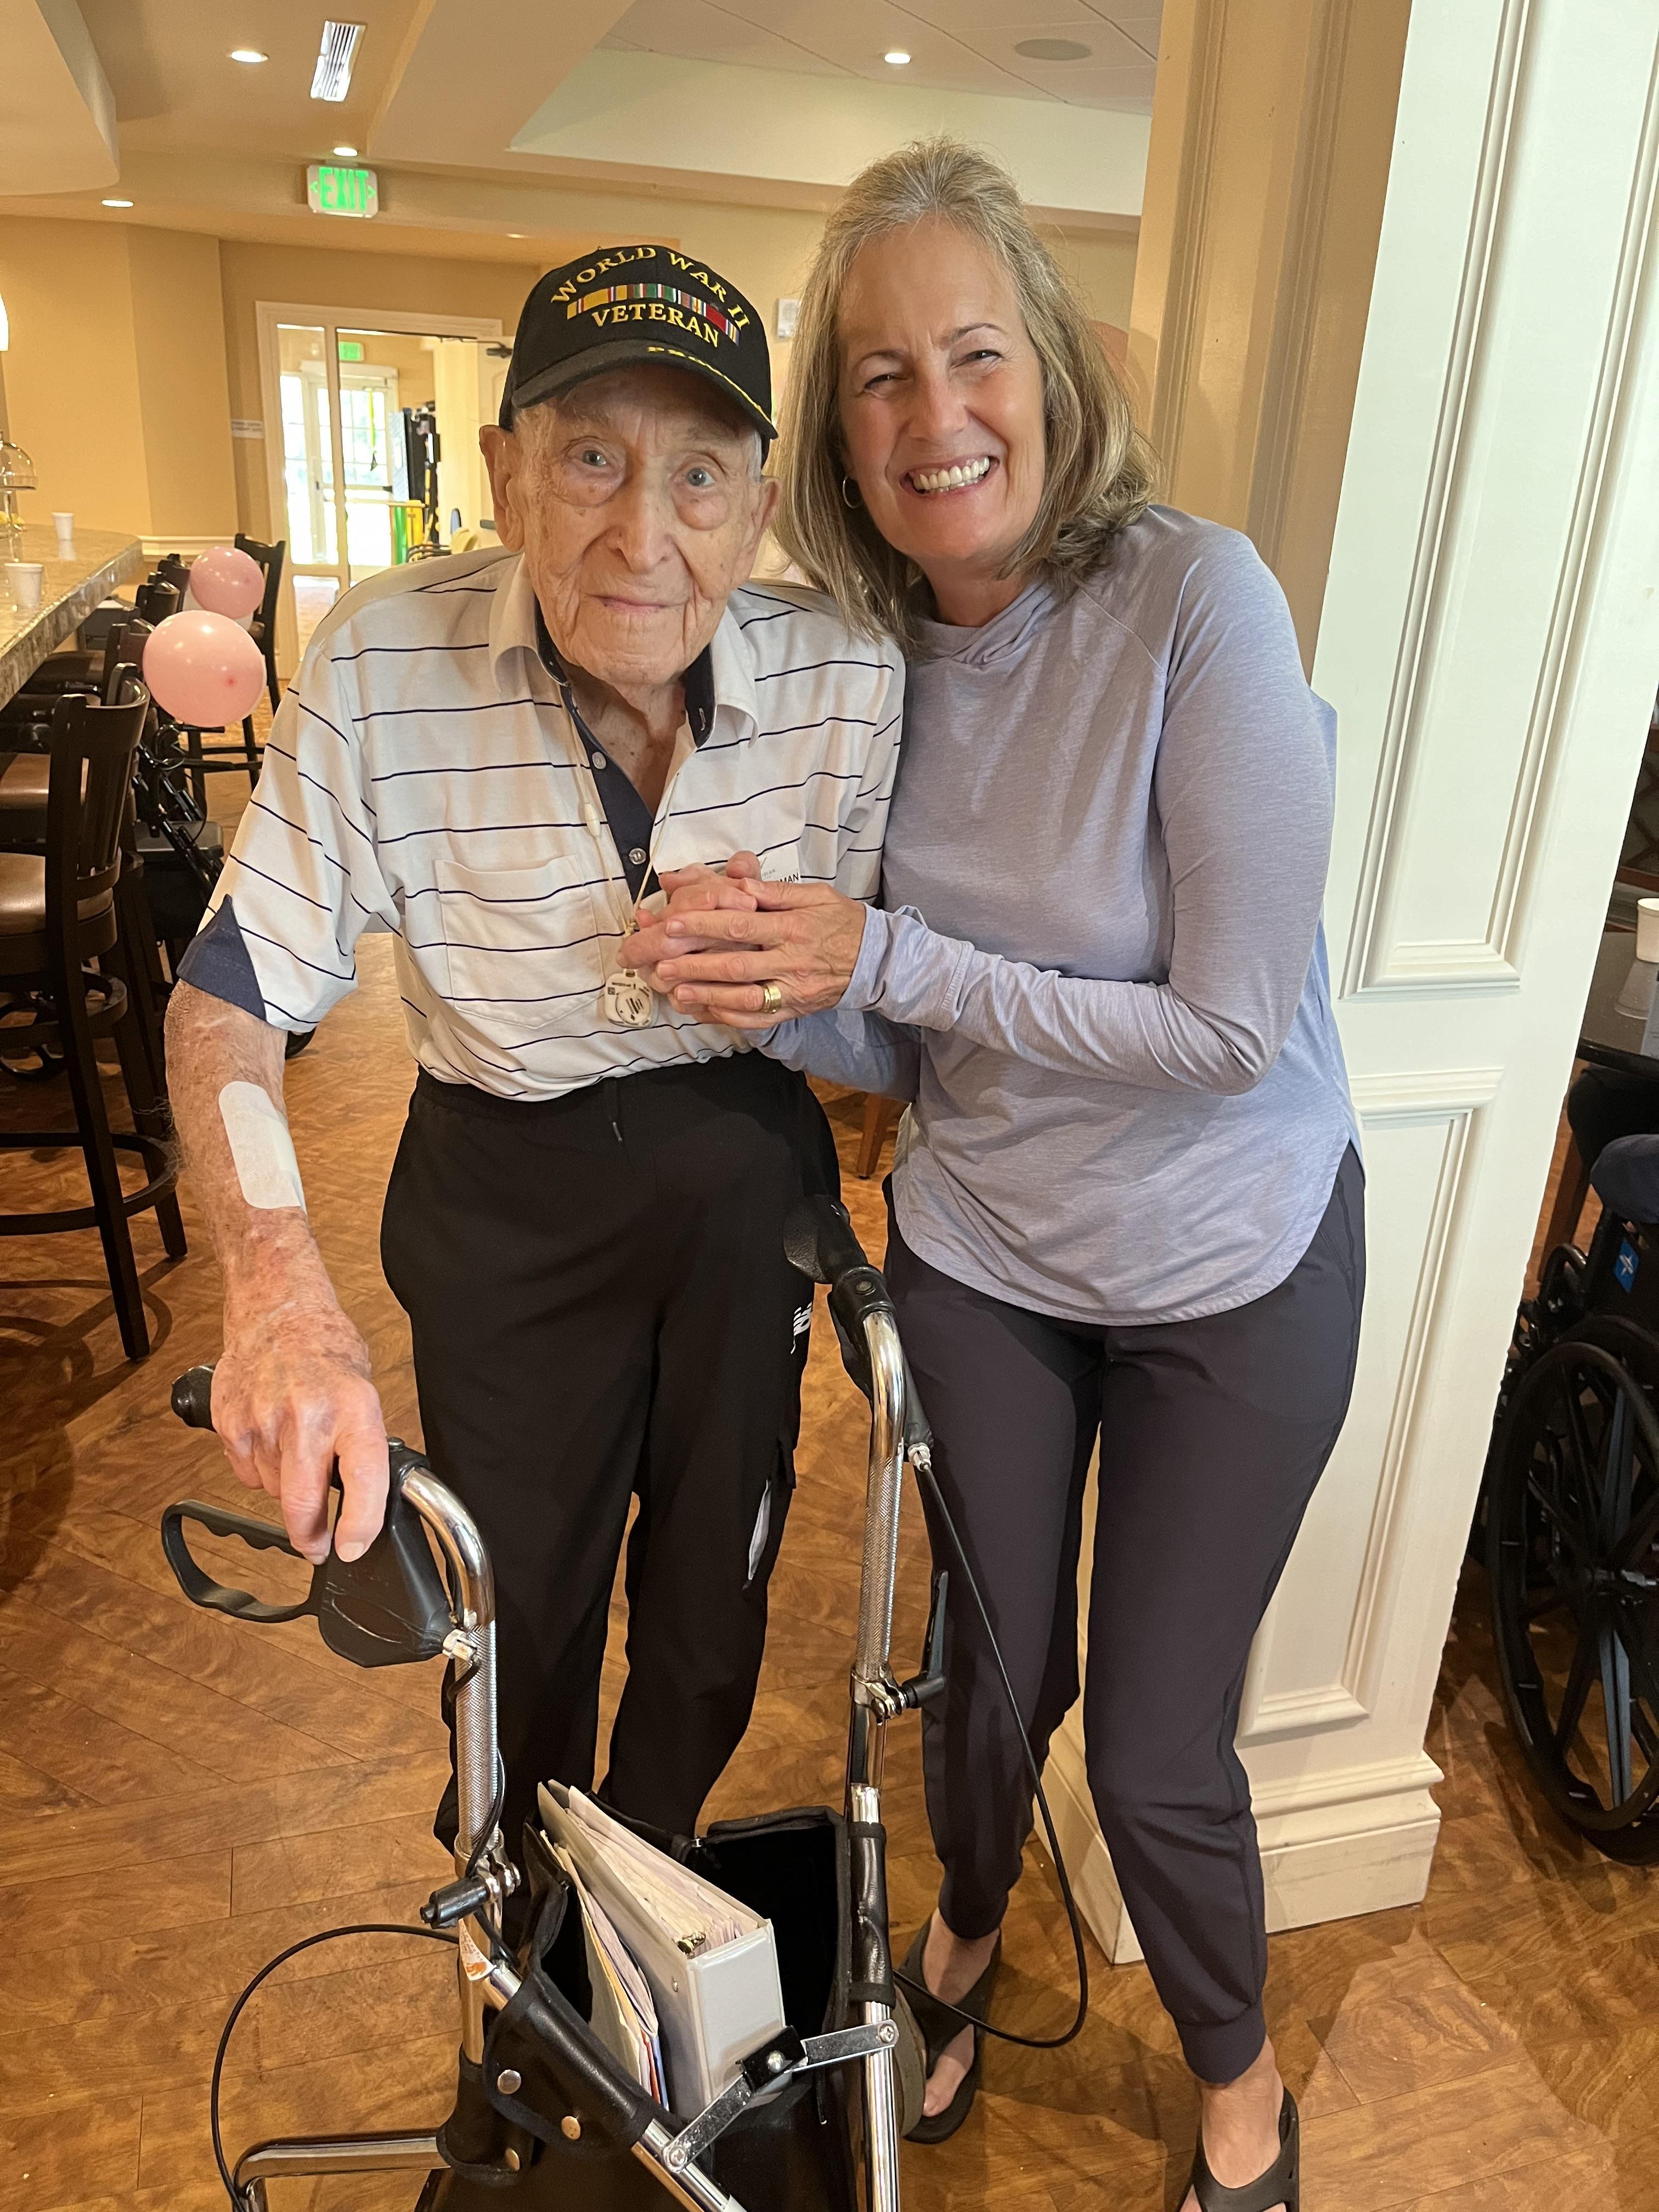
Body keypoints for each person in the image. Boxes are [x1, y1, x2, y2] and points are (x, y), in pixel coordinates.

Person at [631, 142, 1362, 2212]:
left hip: (1234, 1255)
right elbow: (900, 1034)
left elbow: (1227, 1029)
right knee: (981, 1690)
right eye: (876, 375)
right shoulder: (862, 669)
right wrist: (770, 981)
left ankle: (1236, 2077)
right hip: (987, 1248)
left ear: (1046, 360)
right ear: (837, 430)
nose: (935, 417)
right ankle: (962, 1930)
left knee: (1142, 1749)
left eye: (972, 353)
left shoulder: (1199, 602)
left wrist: (884, 957)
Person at [164, 243, 904, 1908]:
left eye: (700, 475)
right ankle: (523, 1933)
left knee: (716, 1620)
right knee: (525, 1615)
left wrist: (804, 982)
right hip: (504, 1191)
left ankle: (635, 1906)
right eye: (592, 460)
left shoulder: (851, 680)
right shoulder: (378, 659)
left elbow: (898, 1014)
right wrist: (274, 1279)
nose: (645, 536)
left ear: (762, 501)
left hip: (742, 1183)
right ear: (502, 469)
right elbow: (228, 994)